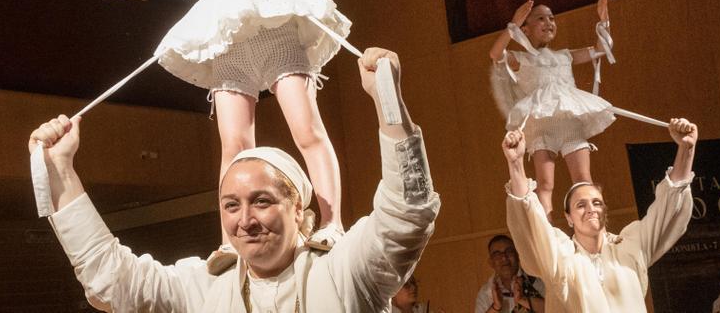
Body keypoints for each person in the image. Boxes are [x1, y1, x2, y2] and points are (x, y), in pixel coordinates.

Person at [108, 0, 401, 257]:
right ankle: (229, 237)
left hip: (279, 37)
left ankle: (332, 221)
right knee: (235, 145)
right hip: (231, 47)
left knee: (308, 131)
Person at [28, 47, 439, 312]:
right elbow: (112, 280)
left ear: (298, 208)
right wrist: (61, 171)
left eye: (261, 201)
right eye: (231, 204)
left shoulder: (347, 268)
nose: (245, 219)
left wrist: (389, 102)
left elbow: (408, 211)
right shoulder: (204, 286)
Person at [501, 117, 698, 312]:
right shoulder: (562, 258)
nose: (591, 208)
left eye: (596, 202)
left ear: (604, 209)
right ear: (568, 218)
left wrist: (686, 149)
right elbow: (532, 224)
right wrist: (516, 164)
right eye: (580, 205)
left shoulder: (631, 246)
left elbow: (667, 208)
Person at [489, 0, 616, 219]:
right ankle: (547, 235)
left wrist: (603, 19)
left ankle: (594, 226)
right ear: (525, 29)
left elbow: (599, 49)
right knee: (545, 184)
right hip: (541, 127)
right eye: (541, 18)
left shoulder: (565, 56)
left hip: (570, 123)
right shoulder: (522, 59)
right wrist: (512, 25)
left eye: (551, 18)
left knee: (583, 180)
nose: (548, 22)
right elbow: (496, 54)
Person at [474, 235, 545, 313]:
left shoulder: (537, 281)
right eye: (497, 254)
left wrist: (523, 300)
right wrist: (496, 307)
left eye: (509, 251)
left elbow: (556, 308)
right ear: (491, 262)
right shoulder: (485, 293)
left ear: (518, 256)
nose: (504, 258)